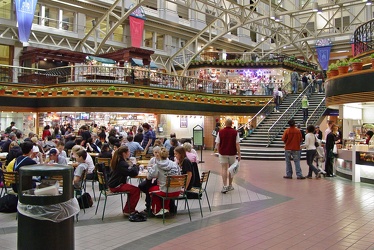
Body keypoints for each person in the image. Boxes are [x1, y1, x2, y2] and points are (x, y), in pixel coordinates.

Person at [147, 147, 181, 216]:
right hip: (177, 191)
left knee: (152, 190)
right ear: (167, 155)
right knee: (166, 187)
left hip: (166, 191)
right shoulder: (174, 164)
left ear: (159, 155)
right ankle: (166, 208)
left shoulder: (157, 166)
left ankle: (157, 210)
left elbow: (149, 177)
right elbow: (179, 175)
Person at [107, 146, 140, 215]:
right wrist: (134, 165)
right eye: (128, 152)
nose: (129, 153)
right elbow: (133, 173)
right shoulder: (122, 163)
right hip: (116, 185)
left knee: (133, 189)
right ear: (124, 153)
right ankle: (129, 210)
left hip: (114, 184)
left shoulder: (118, 161)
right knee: (136, 190)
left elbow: (128, 171)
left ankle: (128, 209)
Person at [215, 118, 241, 193]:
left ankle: (224, 186)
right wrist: (239, 154)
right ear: (232, 124)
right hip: (232, 153)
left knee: (224, 169)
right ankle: (230, 185)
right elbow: (237, 144)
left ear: (225, 124)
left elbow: (217, 144)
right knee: (231, 168)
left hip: (223, 153)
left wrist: (219, 151)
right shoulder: (235, 132)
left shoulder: (220, 132)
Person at [138, 146, 161, 212]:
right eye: (155, 152)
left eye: (158, 152)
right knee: (141, 186)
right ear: (153, 153)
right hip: (151, 177)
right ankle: (150, 197)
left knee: (148, 187)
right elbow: (148, 168)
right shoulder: (152, 160)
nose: (157, 154)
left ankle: (148, 203)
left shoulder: (162, 160)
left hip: (159, 179)